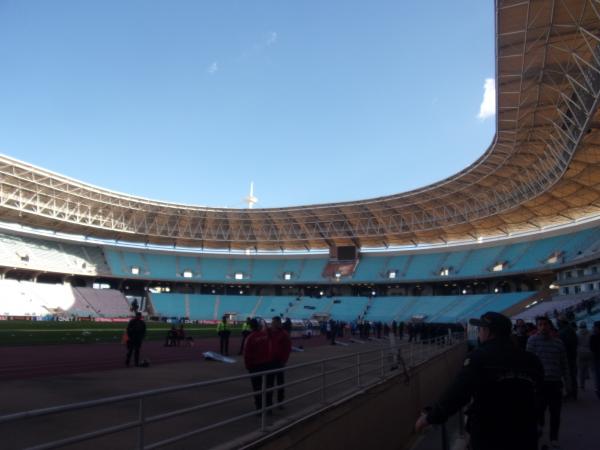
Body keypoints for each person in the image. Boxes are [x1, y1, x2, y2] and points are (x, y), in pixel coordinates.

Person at [415, 311, 543, 450]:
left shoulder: (479, 357)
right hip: (525, 432)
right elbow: (541, 394)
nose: (479, 333)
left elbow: (458, 393)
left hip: (490, 433)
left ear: (489, 332)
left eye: (481, 329)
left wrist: (430, 418)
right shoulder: (531, 360)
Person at [527, 316, 569, 448]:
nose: (543, 327)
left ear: (550, 326)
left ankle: (553, 437)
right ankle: (539, 428)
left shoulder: (558, 343)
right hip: (540, 383)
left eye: (545, 324)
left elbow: (564, 364)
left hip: (555, 382)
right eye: (540, 325)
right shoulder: (532, 341)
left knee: (555, 412)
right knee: (538, 410)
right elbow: (529, 363)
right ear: (537, 326)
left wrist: (568, 383)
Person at [244, 318, 273, 413]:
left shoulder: (250, 337)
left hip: (255, 366)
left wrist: (248, 366)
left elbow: (247, 354)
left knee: (257, 388)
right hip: (267, 364)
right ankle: (268, 408)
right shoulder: (265, 335)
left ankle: (259, 408)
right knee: (267, 387)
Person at [270, 316, 292, 408]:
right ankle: (268, 403)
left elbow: (287, 348)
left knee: (280, 383)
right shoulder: (269, 332)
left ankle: (280, 402)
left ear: (278, 323)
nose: (272, 324)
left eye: (274, 322)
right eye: (272, 322)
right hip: (269, 361)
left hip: (279, 362)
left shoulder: (284, 334)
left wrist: (284, 360)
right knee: (269, 384)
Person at [577, 322, 592, 390]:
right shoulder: (590, 333)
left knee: (581, 369)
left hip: (580, 352)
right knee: (590, 367)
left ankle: (582, 384)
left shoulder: (577, 333)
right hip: (589, 351)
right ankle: (588, 375)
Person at [591, 321, 600, 399]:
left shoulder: (593, 337)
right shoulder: (593, 336)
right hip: (596, 358)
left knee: (598, 375)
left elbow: (592, 348)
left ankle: (598, 390)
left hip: (597, 358)